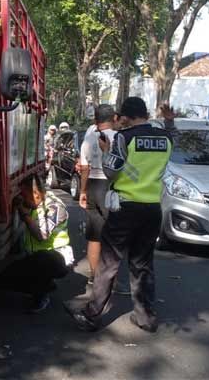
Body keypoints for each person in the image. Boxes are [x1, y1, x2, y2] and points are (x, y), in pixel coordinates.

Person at [66, 97, 176, 333]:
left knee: (109, 264)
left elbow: (111, 173)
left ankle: (93, 315)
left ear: (125, 116)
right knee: (142, 263)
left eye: (121, 116)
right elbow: (173, 137)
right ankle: (145, 317)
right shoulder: (165, 138)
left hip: (126, 208)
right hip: (152, 208)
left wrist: (107, 152)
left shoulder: (125, 138)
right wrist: (169, 122)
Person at [0, 174, 72, 313]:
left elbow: (41, 236)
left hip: (58, 258)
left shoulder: (54, 207)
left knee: (43, 259)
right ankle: (45, 284)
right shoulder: (35, 203)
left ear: (36, 194)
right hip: (38, 257)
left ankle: (42, 294)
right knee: (2, 280)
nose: (23, 199)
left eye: (24, 195)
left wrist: (24, 215)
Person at [78, 105, 117, 284]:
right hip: (111, 186)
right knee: (113, 235)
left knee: (94, 234)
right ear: (114, 118)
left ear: (95, 120)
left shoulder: (88, 138)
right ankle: (111, 280)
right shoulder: (119, 138)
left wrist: (83, 191)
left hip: (93, 184)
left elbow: (84, 168)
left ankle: (95, 276)